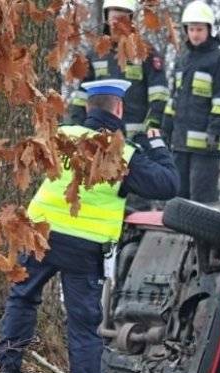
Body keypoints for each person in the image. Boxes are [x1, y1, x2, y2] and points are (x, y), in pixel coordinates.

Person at [0, 79, 178, 373]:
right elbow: (168, 185)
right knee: (83, 327)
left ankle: (7, 369)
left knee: (22, 297)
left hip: (41, 234)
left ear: (89, 108)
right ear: (120, 110)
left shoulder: (61, 134)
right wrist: (157, 145)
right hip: (84, 249)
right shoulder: (122, 154)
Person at [69, 0, 171, 213]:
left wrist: (150, 128)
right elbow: (80, 98)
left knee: (136, 207)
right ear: (106, 16)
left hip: (134, 144)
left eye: (124, 16)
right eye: (114, 16)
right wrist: (78, 131)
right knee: (100, 197)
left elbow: (159, 96)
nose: (118, 22)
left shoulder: (146, 53)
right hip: (100, 143)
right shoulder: (95, 53)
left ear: (132, 19)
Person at [162, 0, 220, 204]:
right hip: (180, 145)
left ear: (209, 30)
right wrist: (165, 130)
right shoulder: (182, 60)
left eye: (200, 29)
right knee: (178, 198)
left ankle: (203, 238)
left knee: (202, 200)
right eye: (192, 29)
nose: (195, 34)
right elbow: (174, 100)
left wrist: (215, 131)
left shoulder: (219, 61)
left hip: (206, 147)